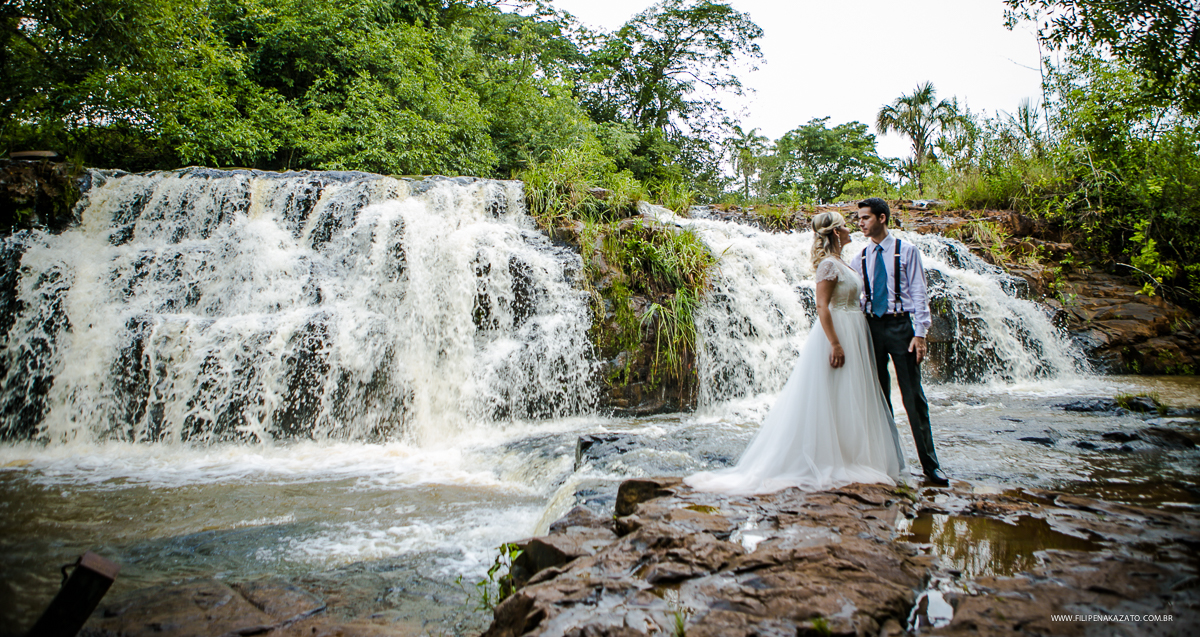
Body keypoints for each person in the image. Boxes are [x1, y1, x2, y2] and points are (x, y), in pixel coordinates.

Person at [686, 212, 905, 495]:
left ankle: (853, 454)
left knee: (852, 395)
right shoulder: (828, 265)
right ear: (836, 232)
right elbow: (822, 306)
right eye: (846, 225)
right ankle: (831, 458)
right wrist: (835, 343)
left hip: (855, 331)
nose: (852, 228)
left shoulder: (844, 263)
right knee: (834, 394)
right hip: (837, 333)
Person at [852, 198, 949, 486]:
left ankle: (930, 465)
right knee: (880, 399)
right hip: (871, 328)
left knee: (913, 397)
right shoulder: (860, 258)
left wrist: (920, 333)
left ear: (882, 218)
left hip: (902, 327)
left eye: (865, 218)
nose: (860, 223)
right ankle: (889, 462)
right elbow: (858, 299)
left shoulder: (907, 251)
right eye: (859, 219)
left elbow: (919, 293)